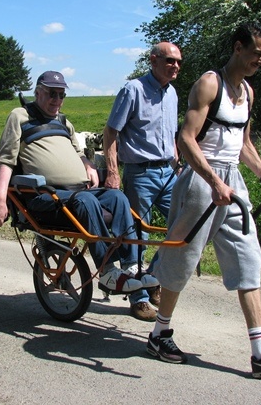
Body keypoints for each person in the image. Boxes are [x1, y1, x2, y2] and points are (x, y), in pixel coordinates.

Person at [147, 23, 261, 379]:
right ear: (238, 48)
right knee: (181, 258)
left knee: (248, 258)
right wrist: (213, 181)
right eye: (256, 54)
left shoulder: (247, 91)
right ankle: (160, 333)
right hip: (201, 180)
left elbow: (244, 143)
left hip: (233, 182)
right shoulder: (209, 84)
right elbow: (186, 139)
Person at [0, 71, 159, 300]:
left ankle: (131, 266)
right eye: (51, 94)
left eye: (61, 95)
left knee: (117, 197)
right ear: (38, 92)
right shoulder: (20, 116)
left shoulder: (63, 121)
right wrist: (0, 201)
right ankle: (107, 271)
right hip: (43, 196)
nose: (57, 100)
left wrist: (87, 165)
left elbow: (78, 153)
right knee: (87, 199)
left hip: (76, 192)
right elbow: (7, 161)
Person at [103, 41, 181, 321]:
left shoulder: (172, 94)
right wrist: (113, 171)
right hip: (140, 172)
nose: (175, 67)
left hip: (168, 172)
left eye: (178, 62)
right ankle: (138, 298)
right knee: (138, 235)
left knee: (183, 224)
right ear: (154, 60)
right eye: (170, 61)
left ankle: (153, 276)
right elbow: (111, 133)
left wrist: (178, 167)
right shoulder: (133, 90)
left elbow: (171, 137)